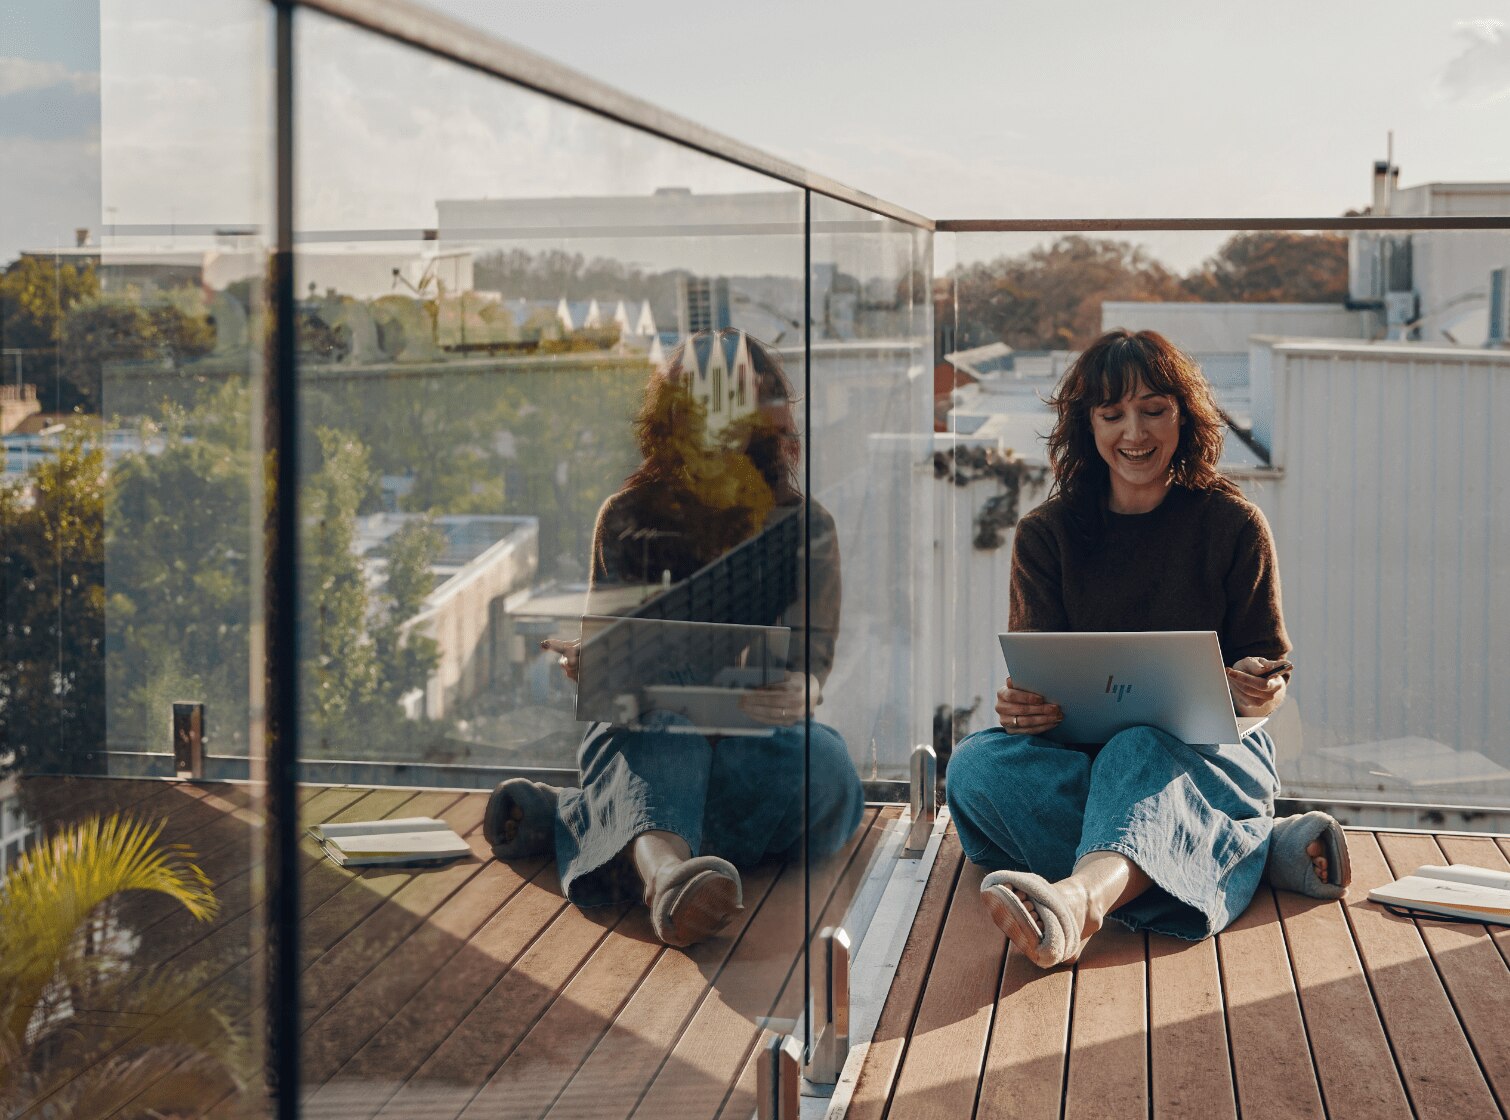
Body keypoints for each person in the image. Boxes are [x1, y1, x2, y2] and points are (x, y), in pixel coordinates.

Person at [945, 328, 1351, 969]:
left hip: (1211, 762)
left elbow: (1267, 669)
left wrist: (1260, 688)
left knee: (1136, 749)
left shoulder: (1233, 523)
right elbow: (1042, 679)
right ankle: (1243, 851)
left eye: (1154, 409)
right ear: (1088, 426)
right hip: (1081, 760)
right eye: (1112, 415)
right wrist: (1025, 711)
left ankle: (1077, 903)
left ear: (1183, 416)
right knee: (974, 769)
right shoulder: (1045, 535)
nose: (1134, 432)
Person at [483, 329, 864, 947]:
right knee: (667, 724)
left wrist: (804, 688)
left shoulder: (805, 525)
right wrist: (592, 665)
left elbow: (812, 657)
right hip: (649, 727)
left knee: (830, 775)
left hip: (756, 737)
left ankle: (581, 818)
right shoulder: (627, 515)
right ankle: (666, 880)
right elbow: (614, 662)